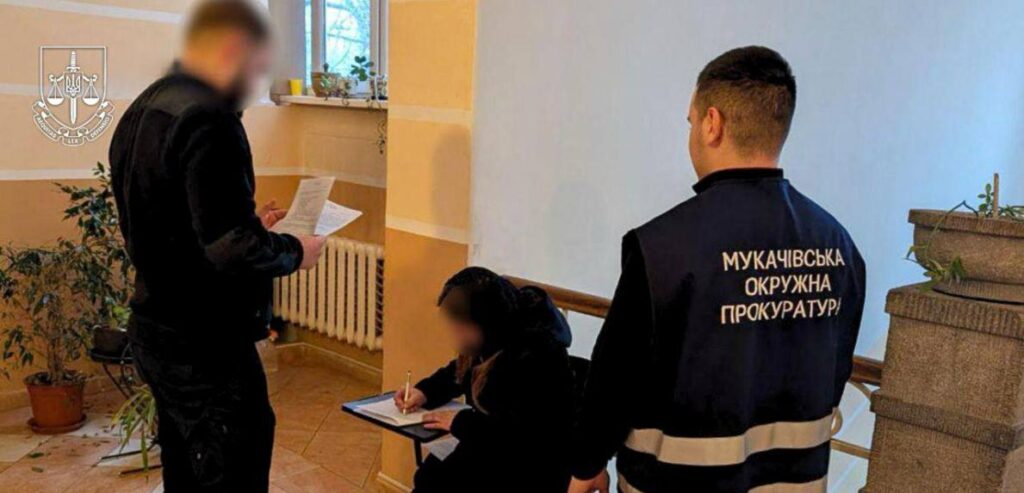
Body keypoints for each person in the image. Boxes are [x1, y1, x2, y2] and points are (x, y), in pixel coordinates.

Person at [568, 47, 867, 493]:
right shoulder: (838, 246)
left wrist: (587, 464)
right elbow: (835, 371)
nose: (691, 134)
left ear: (712, 123)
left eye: (690, 122)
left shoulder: (661, 247)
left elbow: (615, 379)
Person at [108, 1, 327, 491]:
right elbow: (230, 248)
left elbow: (172, 219)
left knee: (185, 460)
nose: (254, 86)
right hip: (204, 341)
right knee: (236, 459)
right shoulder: (210, 117)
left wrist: (252, 224)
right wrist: (296, 251)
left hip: (156, 327)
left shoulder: (147, 105)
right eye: (255, 69)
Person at [395, 267, 576, 493]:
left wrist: (460, 422)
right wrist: (424, 392)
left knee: (436, 481)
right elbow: (460, 372)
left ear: (485, 322)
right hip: (492, 443)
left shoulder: (537, 357)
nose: (455, 333)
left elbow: (522, 435)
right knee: (429, 476)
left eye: (462, 326)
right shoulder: (493, 338)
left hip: (529, 466)